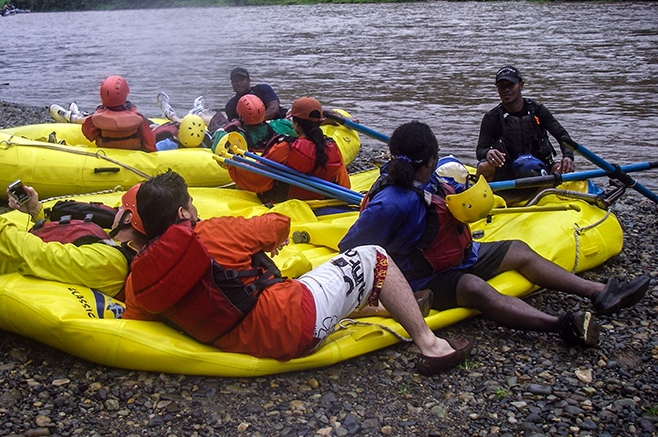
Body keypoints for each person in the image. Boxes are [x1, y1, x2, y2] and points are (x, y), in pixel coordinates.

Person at [121, 171, 472, 376]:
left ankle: (386, 308)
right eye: (193, 205)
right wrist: (265, 246)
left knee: (305, 283)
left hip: (242, 339)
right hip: (295, 327)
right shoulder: (214, 231)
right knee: (372, 256)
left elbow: (137, 319)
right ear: (184, 212)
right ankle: (431, 346)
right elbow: (279, 223)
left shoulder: (139, 280)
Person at [340, 121, 650, 348]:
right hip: (421, 277)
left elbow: (453, 201)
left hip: (460, 255)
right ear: (432, 158)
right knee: (475, 288)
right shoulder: (391, 202)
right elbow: (350, 246)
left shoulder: (429, 180)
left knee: (519, 250)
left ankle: (600, 292)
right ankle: (563, 326)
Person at [0, 179, 161, 298]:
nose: (115, 210)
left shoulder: (110, 263)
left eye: (120, 208)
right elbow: (74, 235)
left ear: (128, 218)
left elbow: (40, 256)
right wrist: (35, 209)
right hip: (6, 254)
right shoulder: (118, 239)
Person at [228, 96, 351, 203]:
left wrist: (234, 165)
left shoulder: (285, 147)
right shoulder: (331, 146)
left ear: (295, 124)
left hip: (284, 203)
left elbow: (257, 177)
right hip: (323, 201)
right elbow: (345, 185)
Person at [476, 65, 576, 182]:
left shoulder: (538, 110)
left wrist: (568, 157)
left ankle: (542, 195)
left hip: (539, 167)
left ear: (521, 85)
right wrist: (488, 152)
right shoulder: (491, 117)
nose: (506, 90)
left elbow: (562, 135)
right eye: (501, 86)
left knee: (563, 170)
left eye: (510, 85)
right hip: (506, 170)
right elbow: (480, 150)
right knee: (484, 166)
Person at [81, 75, 157, 152]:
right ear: (125, 93)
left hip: (105, 154)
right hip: (132, 156)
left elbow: (88, 135)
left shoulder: (96, 119)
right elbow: (150, 146)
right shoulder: (138, 118)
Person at [213, 94, 295, 152]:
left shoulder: (239, 136)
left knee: (218, 119)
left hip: (240, 136)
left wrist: (223, 129)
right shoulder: (276, 126)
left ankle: (201, 114)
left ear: (240, 115)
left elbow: (216, 145)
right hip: (265, 141)